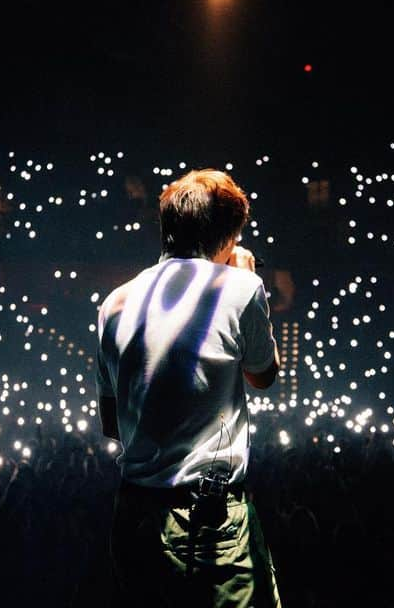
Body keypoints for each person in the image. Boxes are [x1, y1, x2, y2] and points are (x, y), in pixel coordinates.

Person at [95, 168, 283, 607]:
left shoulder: (114, 302)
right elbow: (264, 375)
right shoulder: (241, 286)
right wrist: (246, 273)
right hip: (210, 518)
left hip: (134, 516)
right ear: (228, 237)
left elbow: (112, 423)